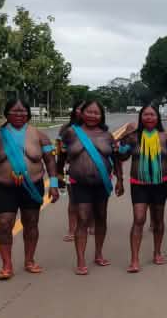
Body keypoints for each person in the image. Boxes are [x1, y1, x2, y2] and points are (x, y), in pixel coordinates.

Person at [0, 99, 60, 280]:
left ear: (28, 114)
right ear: (6, 114)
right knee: (5, 223)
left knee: (31, 223)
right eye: (15, 112)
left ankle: (29, 260)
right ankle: (6, 265)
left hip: (32, 185)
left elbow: (50, 160)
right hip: (4, 187)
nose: (19, 115)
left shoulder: (39, 135)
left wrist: (53, 184)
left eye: (23, 112)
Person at [61, 100, 125, 275]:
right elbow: (61, 155)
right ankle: (81, 259)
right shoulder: (71, 133)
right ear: (81, 113)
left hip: (101, 183)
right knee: (82, 218)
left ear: (101, 115)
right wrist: (57, 178)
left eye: (96, 113)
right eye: (89, 112)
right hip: (79, 183)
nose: (92, 115)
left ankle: (98, 253)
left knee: (101, 217)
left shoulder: (107, 136)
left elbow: (117, 159)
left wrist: (120, 180)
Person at [118, 105, 167, 273]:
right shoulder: (133, 137)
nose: (149, 117)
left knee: (158, 219)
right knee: (139, 219)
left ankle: (157, 252)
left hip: (161, 183)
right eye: (145, 115)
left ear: (157, 117)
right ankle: (134, 259)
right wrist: (124, 139)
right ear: (141, 117)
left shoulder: (166, 137)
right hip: (139, 184)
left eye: (152, 115)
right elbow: (122, 156)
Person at [57, 100, 85, 242]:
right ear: (74, 111)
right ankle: (72, 229)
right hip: (70, 168)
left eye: (85, 109)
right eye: (79, 109)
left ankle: (90, 223)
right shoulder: (65, 129)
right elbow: (59, 152)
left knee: (91, 199)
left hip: (92, 169)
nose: (82, 112)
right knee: (73, 199)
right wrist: (59, 175)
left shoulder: (97, 129)